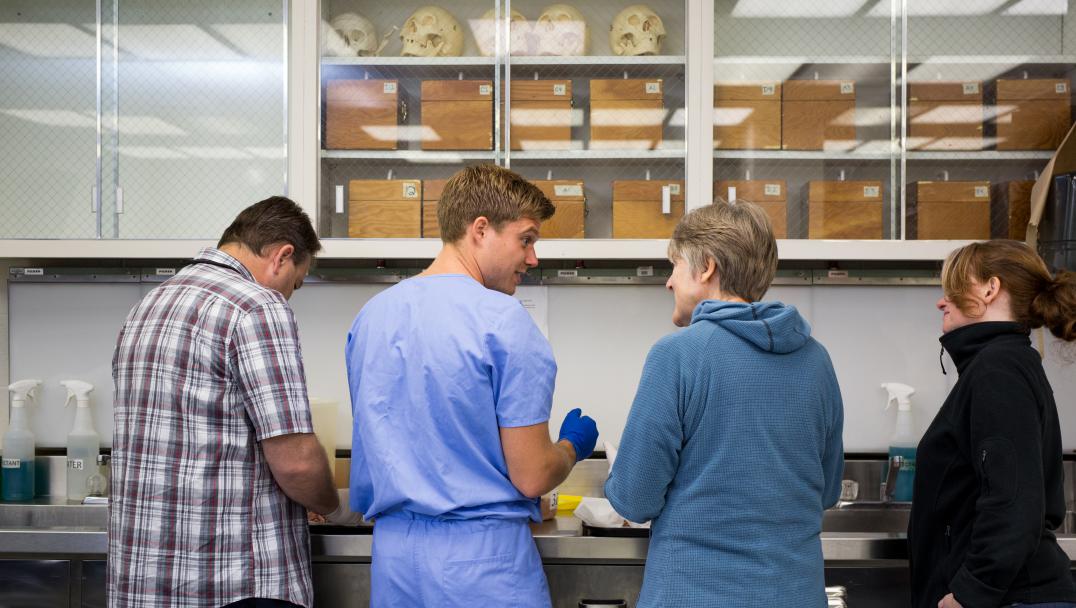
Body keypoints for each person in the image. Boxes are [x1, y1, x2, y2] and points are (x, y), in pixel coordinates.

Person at [346, 164, 599, 608]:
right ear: (480, 229)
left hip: (394, 560)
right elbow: (532, 475)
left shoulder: (372, 316)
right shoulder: (503, 320)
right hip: (480, 564)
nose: (533, 258)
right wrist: (570, 447)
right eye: (526, 239)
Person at [110, 197, 356, 608]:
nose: (290, 295)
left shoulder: (146, 307)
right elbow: (295, 462)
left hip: (143, 581)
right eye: (296, 283)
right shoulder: (256, 306)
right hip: (234, 584)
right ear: (282, 256)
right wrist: (334, 506)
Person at [604, 200, 845, 607]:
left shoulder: (677, 355)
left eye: (675, 266)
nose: (668, 282)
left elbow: (634, 498)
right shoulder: (816, 359)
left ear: (706, 268)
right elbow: (827, 490)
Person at [909, 240, 1076, 608]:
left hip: (1011, 599)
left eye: (953, 288)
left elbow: (1013, 501)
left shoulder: (998, 369)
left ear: (990, 288)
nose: (942, 301)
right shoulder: (1002, 363)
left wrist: (971, 593)